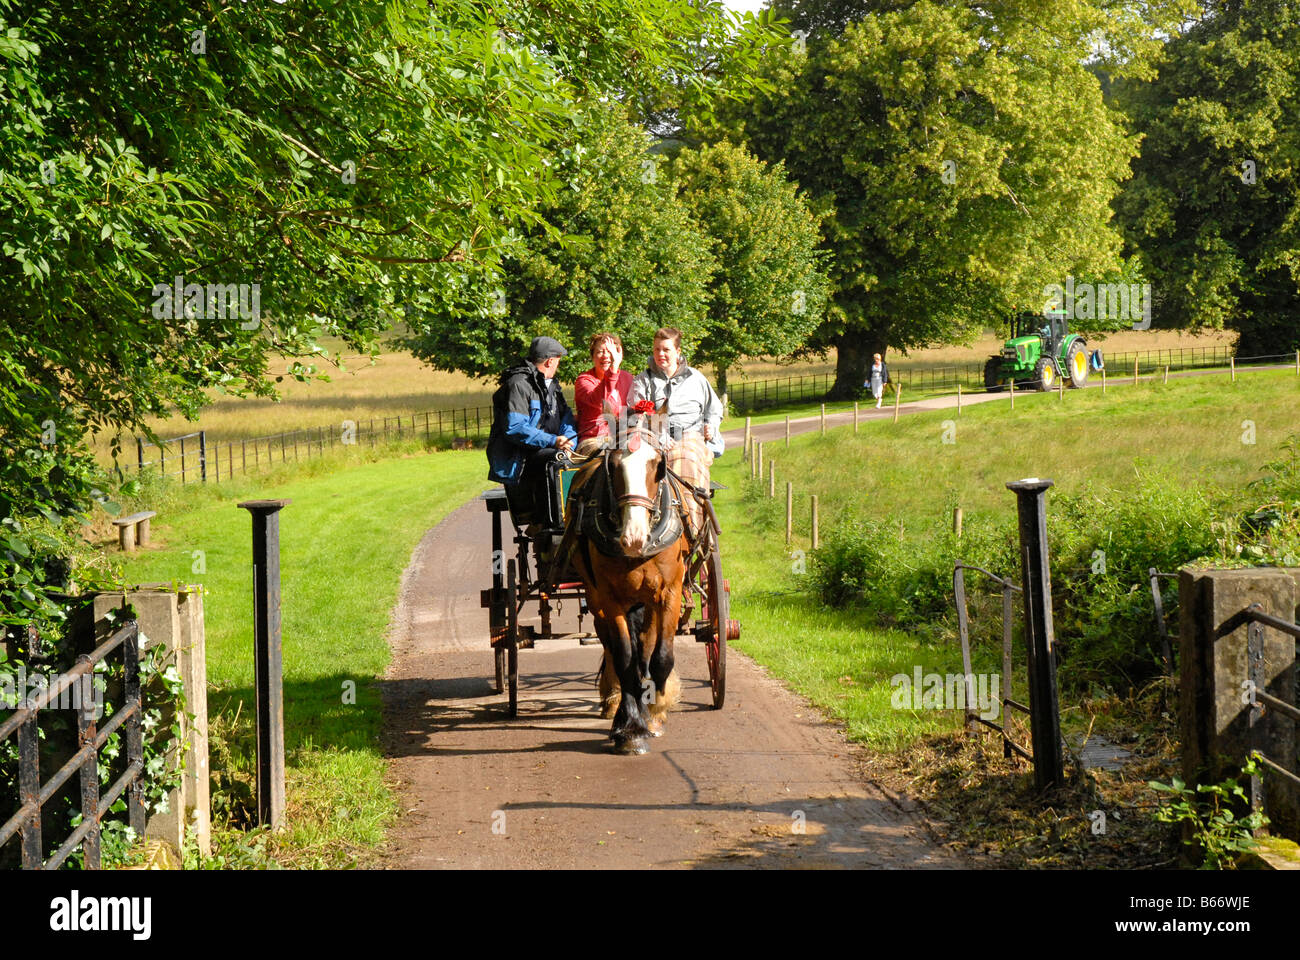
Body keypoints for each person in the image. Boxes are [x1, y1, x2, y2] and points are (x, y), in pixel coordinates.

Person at [630, 327, 725, 539]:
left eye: (666, 349)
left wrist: (711, 425)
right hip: (653, 438)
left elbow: (715, 409)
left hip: (691, 436)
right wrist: (657, 435)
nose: (660, 354)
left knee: (685, 457)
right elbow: (637, 416)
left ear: (678, 351)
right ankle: (645, 522)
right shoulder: (643, 380)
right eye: (657, 349)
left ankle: (692, 525)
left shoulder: (696, 379)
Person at [486, 336, 578, 532]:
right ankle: (552, 523)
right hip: (521, 457)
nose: (558, 366)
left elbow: (566, 418)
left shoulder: (552, 386)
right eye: (558, 362)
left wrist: (570, 442)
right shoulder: (518, 385)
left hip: (551, 448)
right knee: (555, 461)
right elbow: (515, 428)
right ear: (550, 361)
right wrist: (554, 441)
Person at [573, 332, 633, 458]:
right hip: (593, 440)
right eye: (600, 352)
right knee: (609, 458)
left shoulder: (627, 378)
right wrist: (613, 371)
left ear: (618, 354)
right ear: (593, 357)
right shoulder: (584, 380)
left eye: (609, 351)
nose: (605, 356)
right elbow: (599, 402)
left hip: (622, 438)